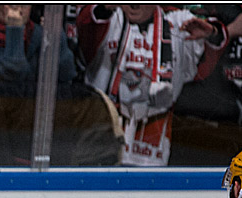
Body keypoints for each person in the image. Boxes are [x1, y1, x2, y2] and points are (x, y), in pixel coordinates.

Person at [77, 4, 228, 166]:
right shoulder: (109, 17)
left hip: (151, 155)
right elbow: (87, 24)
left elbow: (215, 42)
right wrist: (104, 8)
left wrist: (213, 33)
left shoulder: (179, 23)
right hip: (99, 150)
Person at [0, 5, 77, 91]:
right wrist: (15, 29)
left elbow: (66, 75)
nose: (19, 8)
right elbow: (14, 73)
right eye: (12, 4)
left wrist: (57, 36)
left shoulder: (35, 33)